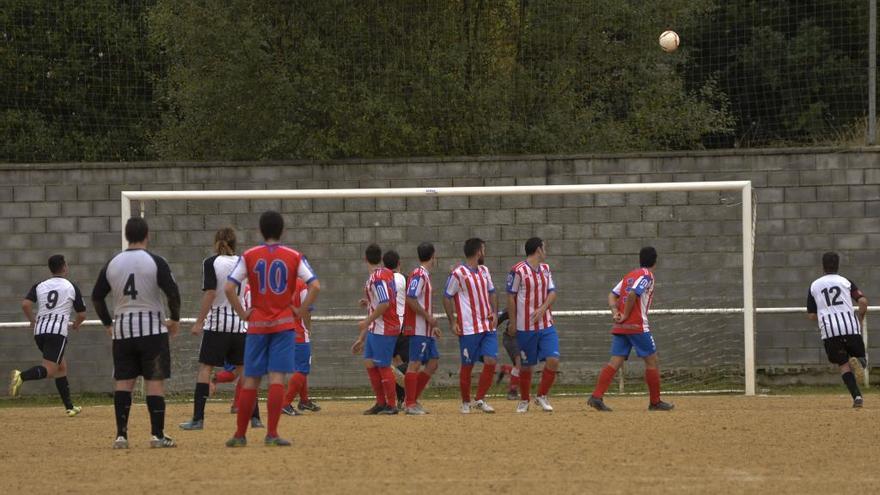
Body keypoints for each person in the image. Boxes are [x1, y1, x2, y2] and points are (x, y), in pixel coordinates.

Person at [224, 210, 320, 447]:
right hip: (283, 325)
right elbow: (315, 285)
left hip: (257, 325)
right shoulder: (294, 256)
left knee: (251, 380)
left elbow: (228, 287)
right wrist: (300, 310)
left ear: (260, 230)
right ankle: (272, 433)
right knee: (277, 378)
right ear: (282, 230)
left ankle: (239, 435)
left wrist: (242, 313)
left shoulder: (248, 255)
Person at [92, 217, 182, 449]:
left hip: (123, 331)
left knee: (123, 382)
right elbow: (172, 293)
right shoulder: (155, 261)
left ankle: (121, 436)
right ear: (147, 235)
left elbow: (97, 296)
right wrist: (174, 319)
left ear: (126, 235)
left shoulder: (113, 263)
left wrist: (107, 323)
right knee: (154, 382)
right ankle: (157, 435)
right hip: (152, 329)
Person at [180, 228, 261, 430]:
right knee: (246, 372)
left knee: (205, 370)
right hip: (240, 327)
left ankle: (198, 419)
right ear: (234, 243)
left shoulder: (211, 263)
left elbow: (210, 293)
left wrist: (199, 321)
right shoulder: (244, 261)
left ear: (216, 242)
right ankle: (256, 418)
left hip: (217, 325)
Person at [587, 246, 673, 412]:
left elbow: (612, 294)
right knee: (652, 361)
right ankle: (655, 402)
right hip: (637, 325)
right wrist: (625, 314)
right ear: (655, 261)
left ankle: (596, 396)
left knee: (615, 360)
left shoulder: (629, 275)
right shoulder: (647, 275)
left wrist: (615, 312)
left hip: (622, 326)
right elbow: (634, 293)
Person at [10, 255, 86, 417]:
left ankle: (69, 407)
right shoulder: (71, 286)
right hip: (56, 332)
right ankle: (21, 376)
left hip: (40, 332)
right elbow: (82, 314)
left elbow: (25, 304)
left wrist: (33, 320)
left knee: (61, 367)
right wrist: (76, 325)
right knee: (50, 370)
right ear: (64, 267)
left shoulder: (40, 285)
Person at [442, 238, 498, 414]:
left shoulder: (485, 271)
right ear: (478, 251)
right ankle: (465, 402)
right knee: (467, 365)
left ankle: (479, 399)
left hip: (487, 326)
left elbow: (492, 292)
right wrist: (453, 321)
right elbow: (447, 296)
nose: (485, 252)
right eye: (484, 249)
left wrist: (495, 312)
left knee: (491, 360)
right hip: (468, 328)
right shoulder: (458, 274)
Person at [807, 251, 869, 408]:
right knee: (861, 358)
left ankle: (857, 397)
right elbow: (862, 301)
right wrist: (860, 318)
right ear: (838, 265)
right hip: (850, 327)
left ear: (823, 266)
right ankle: (859, 361)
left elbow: (812, 315)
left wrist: (823, 315)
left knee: (843, 364)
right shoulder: (846, 282)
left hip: (830, 331)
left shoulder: (814, 286)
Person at [506, 238, 560, 413]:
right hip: (525, 327)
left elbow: (552, 293)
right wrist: (513, 323)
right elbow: (510, 298)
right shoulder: (517, 271)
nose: (547, 251)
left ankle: (542, 396)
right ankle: (524, 400)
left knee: (553, 360)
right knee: (527, 366)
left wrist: (543, 308)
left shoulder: (546, 269)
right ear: (538, 250)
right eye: (545, 247)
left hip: (546, 324)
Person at [351, 244, 401, 415]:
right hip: (377, 328)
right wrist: (362, 336)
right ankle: (381, 402)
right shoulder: (386, 274)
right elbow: (383, 299)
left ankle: (392, 404)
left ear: (365, 258)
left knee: (383, 365)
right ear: (380, 258)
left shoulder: (377, 277)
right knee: (369, 362)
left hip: (384, 327)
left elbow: (385, 302)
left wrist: (366, 321)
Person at [402, 242, 440, 415]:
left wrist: (431, 325)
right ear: (433, 255)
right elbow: (410, 298)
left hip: (427, 329)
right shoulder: (419, 274)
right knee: (415, 364)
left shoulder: (424, 275)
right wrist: (428, 318)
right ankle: (409, 403)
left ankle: (411, 399)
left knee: (433, 363)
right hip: (419, 328)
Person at [281, 277, 320, 416]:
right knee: (303, 368)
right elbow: (307, 309)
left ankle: (304, 400)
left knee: (300, 367)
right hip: (298, 331)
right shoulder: (301, 284)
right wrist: (308, 328)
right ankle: (285, 403)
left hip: (284, 330)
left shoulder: (282, 283)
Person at [384, 250, 409, 408]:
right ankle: (403, 398)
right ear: (399, 263)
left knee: (396, 361)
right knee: (410, 363)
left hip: (387, 327)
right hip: (403, 325)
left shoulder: (382, 280)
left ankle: (399, 399)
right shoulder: (405, 279)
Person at [496, 312, 522, 401]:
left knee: (523, 366)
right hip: (510, 338)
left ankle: (506, 369)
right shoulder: (512, 308)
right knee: (518, 362)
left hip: (522, 338)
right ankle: (513, 391)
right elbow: (499, 319)